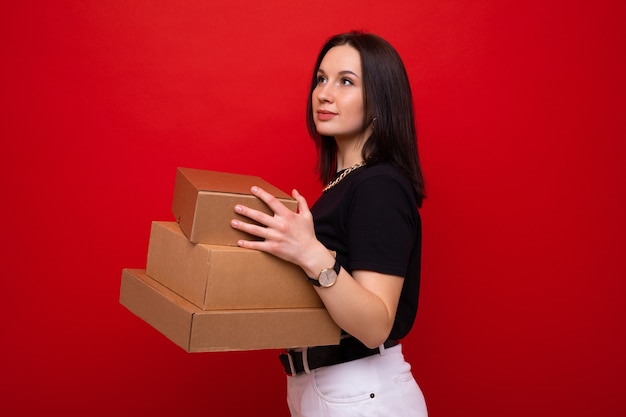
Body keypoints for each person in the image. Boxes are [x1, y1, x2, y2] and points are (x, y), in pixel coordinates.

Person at [230, 31, 427, 417]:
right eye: (321, 79)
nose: (324, 93)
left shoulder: (380, 185)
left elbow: (374, 327)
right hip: (325, 389)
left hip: (361, 392)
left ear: (379, 101)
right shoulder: (345, 184)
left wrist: (310, 253)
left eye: (346, 81)